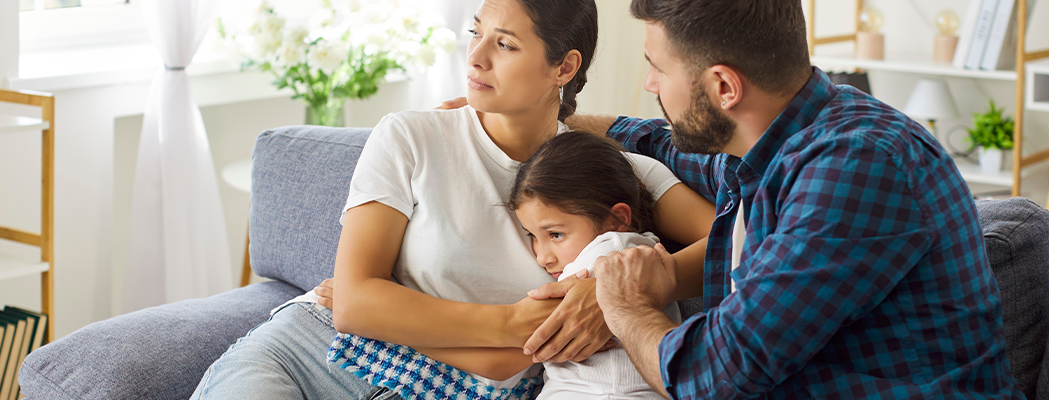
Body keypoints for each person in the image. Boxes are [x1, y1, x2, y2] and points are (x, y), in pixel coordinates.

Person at [189, 0, 714, 399]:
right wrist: (512, 326)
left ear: (563, 66)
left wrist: (616, 291)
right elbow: (352, 303)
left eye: (505, 45)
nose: (476, 57)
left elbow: (737, 242)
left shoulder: (615, 171)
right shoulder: (411, 136)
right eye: (475, 34)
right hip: (313, 355)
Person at [522, 0, 1026, 398]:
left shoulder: (857, 167)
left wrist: (625, 304)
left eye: (657, 68)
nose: (650, 83)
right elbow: (659, 140)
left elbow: (712, 376)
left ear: (723, 87)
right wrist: (550, 122)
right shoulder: (768, 143)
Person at [507, 131, 681, 399]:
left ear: (615, 219)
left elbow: (529, 331)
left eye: (555, 235)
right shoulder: (632, 248)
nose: (542, 257)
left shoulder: (612, 252)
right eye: (532, 235)